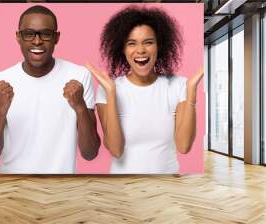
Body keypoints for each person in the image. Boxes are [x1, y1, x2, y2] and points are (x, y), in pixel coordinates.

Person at [85, 6, 203, 174]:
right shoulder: (108, 89)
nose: (140, 50)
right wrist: (111, 94)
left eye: (148, 42)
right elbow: (116, 150)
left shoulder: (179, 85)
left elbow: (184, 146)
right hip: (123, 189)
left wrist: (191, 93)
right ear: (122, 49)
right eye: (131, 43)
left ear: (159, 46)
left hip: (168, 188)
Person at [0, 5, 101, 174]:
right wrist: (0, 112)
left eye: (46, 34)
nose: (37, 41)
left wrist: (80, 107)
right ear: (18, 37)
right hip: (13, 188)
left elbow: (90, 153)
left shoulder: (79, 76)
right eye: (29, 34)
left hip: (62, 189)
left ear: (56, 37)